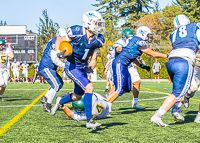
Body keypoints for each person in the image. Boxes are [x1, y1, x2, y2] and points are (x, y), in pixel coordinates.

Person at [51, 11, 105, 129]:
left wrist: (92, 62)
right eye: (97, 23)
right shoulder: (77, 32)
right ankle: (89, 121)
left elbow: (95, 53)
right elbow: (59, 41)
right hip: (72, 66)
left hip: (82, 67)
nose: (99, 26)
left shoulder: (99, 39)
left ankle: (60, 101)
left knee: (77, 96)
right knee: (89, 87)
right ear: (88, 23)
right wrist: (58, 52)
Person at [151, 14, 200, 127]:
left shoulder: (173, 34)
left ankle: (174, 110)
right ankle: (158, 115)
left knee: (176, 91)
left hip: (171, 61)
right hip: (184, 61)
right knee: (178, 93)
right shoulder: (194, 26)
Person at [106, 26, 167, 106]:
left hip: (123, 64)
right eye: (148, 35)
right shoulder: (139, 41)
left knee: (125, 89)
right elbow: (153, 54)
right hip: (120, 63)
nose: (149, 37)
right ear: (143, 34)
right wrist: (167, 55)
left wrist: (142, 66)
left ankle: (103, 103)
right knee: (119, 89)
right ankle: (102, 106)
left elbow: (131, 57)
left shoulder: (133, 40)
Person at [37, 28, 67, 112]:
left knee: (60, 83)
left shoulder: (54, 41)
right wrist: (64, 65)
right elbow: (54, 59)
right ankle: (48, 104)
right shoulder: (54, 43)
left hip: (51, 67)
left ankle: (45, 98)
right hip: (46, 66)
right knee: (56, 85)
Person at [122, 28, 150, 109]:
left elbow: (132, 57)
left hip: (130, 65)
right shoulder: (121, 42)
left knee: (137, 81)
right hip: (122, 64)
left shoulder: (133, 42)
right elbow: (119, 51)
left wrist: (141, 66)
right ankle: (106, 101)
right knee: (121, 88)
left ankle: (135, 102)